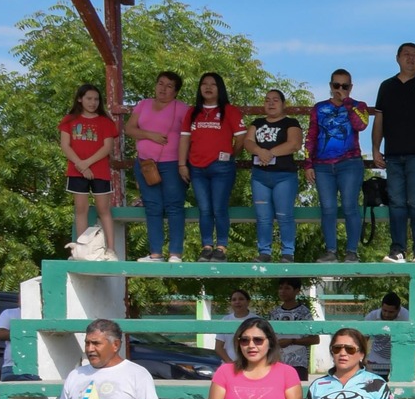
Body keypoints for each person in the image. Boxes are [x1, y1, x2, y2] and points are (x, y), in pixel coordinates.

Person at [370, 41, 415, 264]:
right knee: (396, 202)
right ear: (398, 58)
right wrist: (375, 149)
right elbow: (379, 121)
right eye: (406, 54)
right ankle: (397, 250)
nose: (410, 58)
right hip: (393, 155)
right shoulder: (386, 86)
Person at [124, 70, 191, 262]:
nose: (163, 89)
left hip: (172, 164)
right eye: (160, 83)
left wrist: (184, 163)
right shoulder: (143, 104)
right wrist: (149, 135)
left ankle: (176, 253)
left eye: (169, 86)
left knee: (174, 207)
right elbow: (129, 129)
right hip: (145, 164)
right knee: (152, 207)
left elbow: (190, 136)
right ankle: (156, 254)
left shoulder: (182, 108)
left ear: (176, 91)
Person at [308, 68, 369, 263]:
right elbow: (311, 136)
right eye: (336, 85)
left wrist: (348, 104)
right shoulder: (318, 108)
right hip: (322, 166)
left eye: (344, 86)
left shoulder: (359, 105)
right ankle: (331, 251)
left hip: (349, 163)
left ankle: (352, 252)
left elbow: (361, 125)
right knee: (327, 208)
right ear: (330, 86)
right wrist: (308, 163)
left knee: (350, 206)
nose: (339, 89)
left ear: (351, 87)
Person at [180, 72, 241, 262]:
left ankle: (221, 247)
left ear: (219, 88)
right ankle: (206, 246)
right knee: (204, 209)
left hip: (221, 167)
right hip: (196, 168)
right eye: (204, 84)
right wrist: (182, 164)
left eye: (212, 84)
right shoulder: (192, 112)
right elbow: (184, 139)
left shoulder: (229, 110)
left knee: (219, 208)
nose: (208, 87)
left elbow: (241, 138)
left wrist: (231, 154)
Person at [242, 89, 306, 261]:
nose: (270, 103)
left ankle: (288, 252)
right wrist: (258, 151)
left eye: (275, 100)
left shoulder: (291, 122)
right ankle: (264, 252)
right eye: (267, 100)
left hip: (284, 176)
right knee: (263, 217)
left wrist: (269, 153)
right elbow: (247, 141)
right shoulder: (257, 122)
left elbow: (294, 144)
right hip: (260, 176)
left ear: (283, 104)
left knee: (284, 215)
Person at [58, 83, 121, 256]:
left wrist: (86, 163)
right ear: (80, 99)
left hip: (99, 170)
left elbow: (107, 147)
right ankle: (81, 249)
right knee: (80, 209)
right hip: (76, 171)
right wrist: (80, 164)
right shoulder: (69, 120)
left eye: (96, 99)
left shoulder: (105, 122)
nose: (92, 102)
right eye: (88, 98)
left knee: (103, 209)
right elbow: (65, 145)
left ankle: (111, 249)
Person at [269, 278, 317, 380]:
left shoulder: (304, 312)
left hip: (298, 363)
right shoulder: (274, 313)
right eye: (281, 288)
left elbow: (315, 339)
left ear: (297, 291)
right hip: (277, 362)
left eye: (287, 288)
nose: (282, 291)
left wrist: (291, 341)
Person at [362, 291, 408, 379]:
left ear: (398, 310)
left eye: (391, 312)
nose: (386, 314)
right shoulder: (371, 317)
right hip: (377, 359)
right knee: (374, 386)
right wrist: (362, 358)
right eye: (384, 310)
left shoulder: (406, 317)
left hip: (399, 360)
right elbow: (363, 339)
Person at [214, 288, 254, 362]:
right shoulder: (225, 321)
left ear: (248, 302)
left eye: (241, 299)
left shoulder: (257, 320)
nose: (237, 302)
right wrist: (231, 364)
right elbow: (218, 347)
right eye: (234, 300)